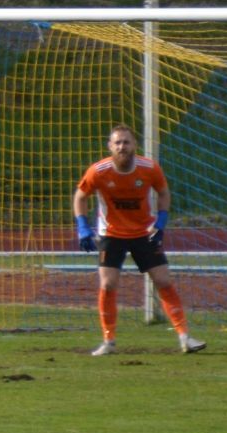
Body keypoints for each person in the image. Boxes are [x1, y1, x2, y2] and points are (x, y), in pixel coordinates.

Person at [74, 124, 205, 356]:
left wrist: (161, 222)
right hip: (111, 234)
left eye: (126, 142)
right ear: (110, 146)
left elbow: (163, 192)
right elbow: (80, 196)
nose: (122, 147)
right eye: (117, 142)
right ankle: (109, 341)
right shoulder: (98, 171)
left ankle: (185, 337)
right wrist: (83, 227)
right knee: (108, 284)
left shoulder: (149, 168)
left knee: (163, 280)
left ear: (135, 145)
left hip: (144, 233)